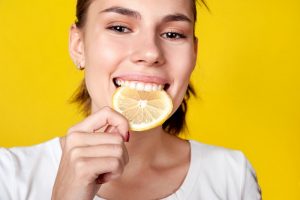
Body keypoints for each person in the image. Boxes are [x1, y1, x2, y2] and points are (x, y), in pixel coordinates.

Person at [0, 0, 262, 199]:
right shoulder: (9, 176)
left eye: (173, 34)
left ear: (193, 54)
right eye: (120, 27)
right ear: (78, 45)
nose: (150, 53)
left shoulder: (232, 176)